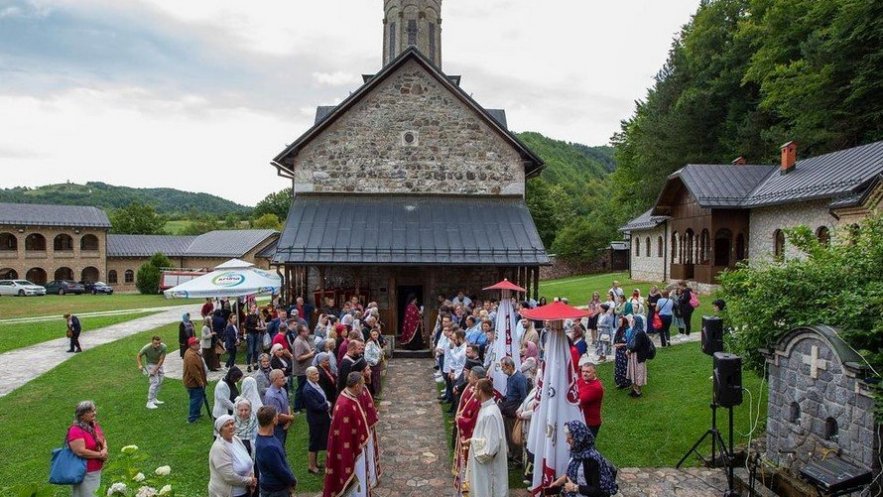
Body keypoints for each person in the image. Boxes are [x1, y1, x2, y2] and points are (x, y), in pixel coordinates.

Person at [323, 372, 372, 497]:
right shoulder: (345, 405)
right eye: (362, 385)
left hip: (353, 448)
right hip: (350, 452)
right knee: (356, 485)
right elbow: (346, 435)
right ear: (356, 386)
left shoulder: (347, 397)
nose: (363, 387)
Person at [467, 378, 508, 497]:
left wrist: (472, 442)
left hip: (488, 469)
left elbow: (491, 448)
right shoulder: (485, 408)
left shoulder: (490, 414)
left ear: (480, 391)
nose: (473, 391)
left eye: (475, 389)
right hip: (481, 466)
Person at [547, 420, 608, 497]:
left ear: (579, 438)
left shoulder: (591, 459)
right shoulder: (576, 451)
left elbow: (597, 490)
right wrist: (561, 480)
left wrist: (575, 488)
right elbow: (575, 472)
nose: (566, 441)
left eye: (570, 438)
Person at [453, 366, 485, 495]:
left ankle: (467, 486)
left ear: (476, 378)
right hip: (465, 431)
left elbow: (473, 418)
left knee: (468, 464)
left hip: (471, 434)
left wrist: (460, 420)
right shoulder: (471, 388)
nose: (468, 377)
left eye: (470, 376)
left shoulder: (477, 395)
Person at [208, 415, 256, 497]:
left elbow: (248, 460)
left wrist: (252, 475)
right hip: (230, 493)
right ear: (220, 430)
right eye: (227, 425)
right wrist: (249, 480)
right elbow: (229, 477)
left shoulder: (236, 439)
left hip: (244, 490)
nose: (231, 427)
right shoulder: (219, 448)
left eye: (232, 423)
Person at [255, 405, 297, 497]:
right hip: (276, 490)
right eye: (277, 415)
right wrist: (292, 481)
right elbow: (279, 470)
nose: (278, 417)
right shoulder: (269, 447)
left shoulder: (263, 437)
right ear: (273, 420)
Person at [67, 400, 107, 497]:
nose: (94, 413)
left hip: (95, 469)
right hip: (84, 472)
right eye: (90, 411)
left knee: (94, 493)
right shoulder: (75, 430)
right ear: (81, 415)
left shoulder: (93, 425)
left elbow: (102, 438)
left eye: (94, 410)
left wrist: (105, 449)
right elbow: (80, 451)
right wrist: (100, 455)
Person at [303, 366, 332, 475]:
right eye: (314, 374)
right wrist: (327, 405)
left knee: (319, 440)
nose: (317, 375)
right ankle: (311, 466)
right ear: (308, 375)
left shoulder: (314, 384)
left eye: (317, 373)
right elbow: (316, 406)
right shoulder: (307, 389)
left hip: (322, 418)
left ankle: (315, 463)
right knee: (314, 442)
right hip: (316, 419)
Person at [498, 356, 528, 462]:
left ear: (509, 366)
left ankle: (518, 458)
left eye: (503, 367)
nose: (502, 369)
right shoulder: (510, 376)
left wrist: (520, 410)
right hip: (509, 409)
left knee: (515, 435)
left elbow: (524, 397)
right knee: (508, 434)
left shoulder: (519, 379)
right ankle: (512, 453)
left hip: (515, 410)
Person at [263, 369, 294, 445]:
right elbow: (277, 416)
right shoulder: (271, 396)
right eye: (282, 377)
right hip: (277, 427)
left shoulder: (282, 390)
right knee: (279, 447)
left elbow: (287, 405)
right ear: (274, 380)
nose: (284, 379)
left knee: (282, 445)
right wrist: (291, 418)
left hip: (284, 424)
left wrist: (289, 420)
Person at [136, 335, 167, 409]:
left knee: (160, 381)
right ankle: (149, 402)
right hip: (150, 364)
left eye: (159, 343)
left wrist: (156, 369)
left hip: (158, 365)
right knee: (154, 382)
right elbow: (139, 355)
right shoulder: (146, 348)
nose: (158, 345)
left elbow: (161, 359)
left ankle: (154, 399)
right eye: (156, 343)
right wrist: (140, 365)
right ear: (152, 342)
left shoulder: (163, 347)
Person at [182, 336, 208, 423]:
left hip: (197, 382)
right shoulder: (191, 356)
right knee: (195, 400)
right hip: (193, 383)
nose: (199, 344)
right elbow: (194, 372)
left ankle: (197, 414)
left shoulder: (194, 352)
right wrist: (200, 382)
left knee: (199, 399)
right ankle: (192, 418)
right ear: (192, 345)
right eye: (197, 343)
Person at [626, 315, 651, 398]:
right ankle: (634, 389)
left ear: (637, 322)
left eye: (633, 321)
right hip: (633, 355)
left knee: (638, 373)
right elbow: (630, 343)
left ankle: (638, 391)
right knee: (633, 372)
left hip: (638, 356)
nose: (631, 322)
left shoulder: (640, 332)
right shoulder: (634, 330)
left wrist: (629, 350)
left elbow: (637, 346)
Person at [578, 363, 604, 438]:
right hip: (582, 420)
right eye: (583, 371)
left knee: (585, 447)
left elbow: (579, 401)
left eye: (587, 372)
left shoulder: (595, 388)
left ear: (594, 373)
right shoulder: (582, 380)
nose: (584, 374)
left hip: (590, 424)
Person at [612, 317, 632, 390]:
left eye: (620, 322)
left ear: (624, 322)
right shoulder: (619, 330)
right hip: (618, 353)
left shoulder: (628, 330)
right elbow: (615, 341)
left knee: (625, 367)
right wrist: (616, 344)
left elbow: (630, 342)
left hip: (625, 353)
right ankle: (620, 382)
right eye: (618, 321)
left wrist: (621, 345)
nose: (618, 323)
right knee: (619, 367)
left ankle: (627, 383)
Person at [364, 328, 384, 398]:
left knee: (377, 378)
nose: (375, 336)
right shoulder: (369, 343)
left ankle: (377, 393)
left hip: (377, 364)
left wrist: (381, 352)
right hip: (372, 365)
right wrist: (375, 361)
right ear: (371, 335)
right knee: (373, 380)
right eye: (374, 335)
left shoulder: (376, 341)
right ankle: (374, 394)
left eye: (376, 334)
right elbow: (366, 357)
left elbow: (378, 350)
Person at [245, 306, 264, 373]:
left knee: (256, 349)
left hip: (257, 334)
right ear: (250, 308)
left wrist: (260, 326)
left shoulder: (257, 316)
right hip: (250, 334)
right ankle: (249, 365)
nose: (254, 309)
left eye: (255, 307)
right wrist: (254, 328)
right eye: (253, 307)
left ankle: (255, 363)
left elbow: (260, 323)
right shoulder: (248, 316)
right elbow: (246, 326)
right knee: (250, 350)